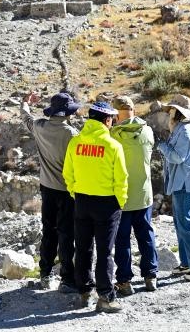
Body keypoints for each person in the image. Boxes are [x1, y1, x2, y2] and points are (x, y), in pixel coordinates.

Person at [62, 101, 129, 314]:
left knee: (83, 248)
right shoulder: (113, 146)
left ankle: (84, 292)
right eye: (112, 120)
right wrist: (120, 202)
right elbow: (121, 179)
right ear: (107, 120)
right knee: (104, 251)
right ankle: (105, 296)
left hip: (82, 201)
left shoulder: (75, 142)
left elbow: (67, 173)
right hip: (107, 204)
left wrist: (75, 193)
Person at [20, 90, 82, 292]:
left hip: (47, 188)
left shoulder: (40, 127)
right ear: (68, 112)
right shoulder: (72, 135)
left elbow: (26, 118)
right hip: (67, 191)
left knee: (49, 231)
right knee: (66, 233)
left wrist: (25, 102)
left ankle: (45, 273)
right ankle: (67, 278)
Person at [157, 94, 190, 282]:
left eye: (172, 109)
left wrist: (162, 146)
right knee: (180, 226)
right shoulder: (179, 129)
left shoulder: (185, 131)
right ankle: (186, 264)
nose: (169, 113)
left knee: (186, 225)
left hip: (185, 184)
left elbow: (178, 157)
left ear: (178, 112)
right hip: (180, 184)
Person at [110, 94, 158, 295]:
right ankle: (150, 276)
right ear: (133, 110)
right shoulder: (147, 131)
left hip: (121, 197)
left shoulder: (112, 136)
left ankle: (124, 281)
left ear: (115, 115)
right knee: (146, 235)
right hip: (144, 194)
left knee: (122, 240)